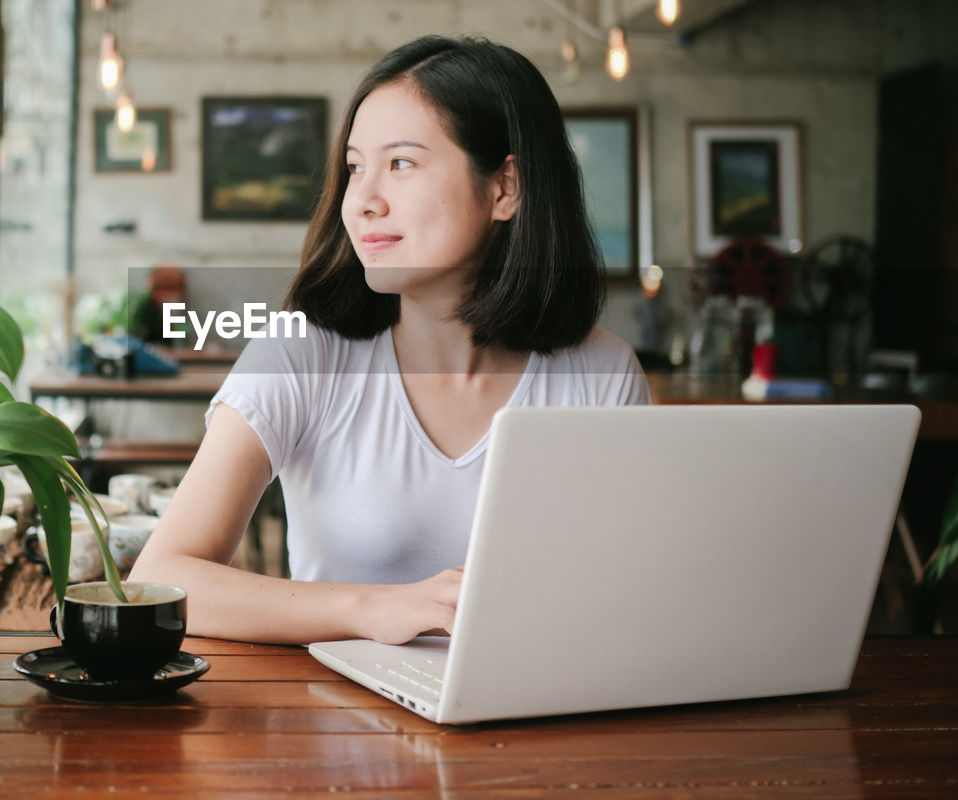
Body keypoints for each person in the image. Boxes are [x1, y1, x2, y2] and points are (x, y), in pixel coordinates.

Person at [129, 35, 650, 645]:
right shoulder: (300, 355)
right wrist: (372, 610)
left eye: (401, 163)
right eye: (355, 167)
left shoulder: (603, 373)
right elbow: (163, 575)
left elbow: (631, 596)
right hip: (337, 729)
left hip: (537, 722)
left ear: (504, 188)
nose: (363, 202)